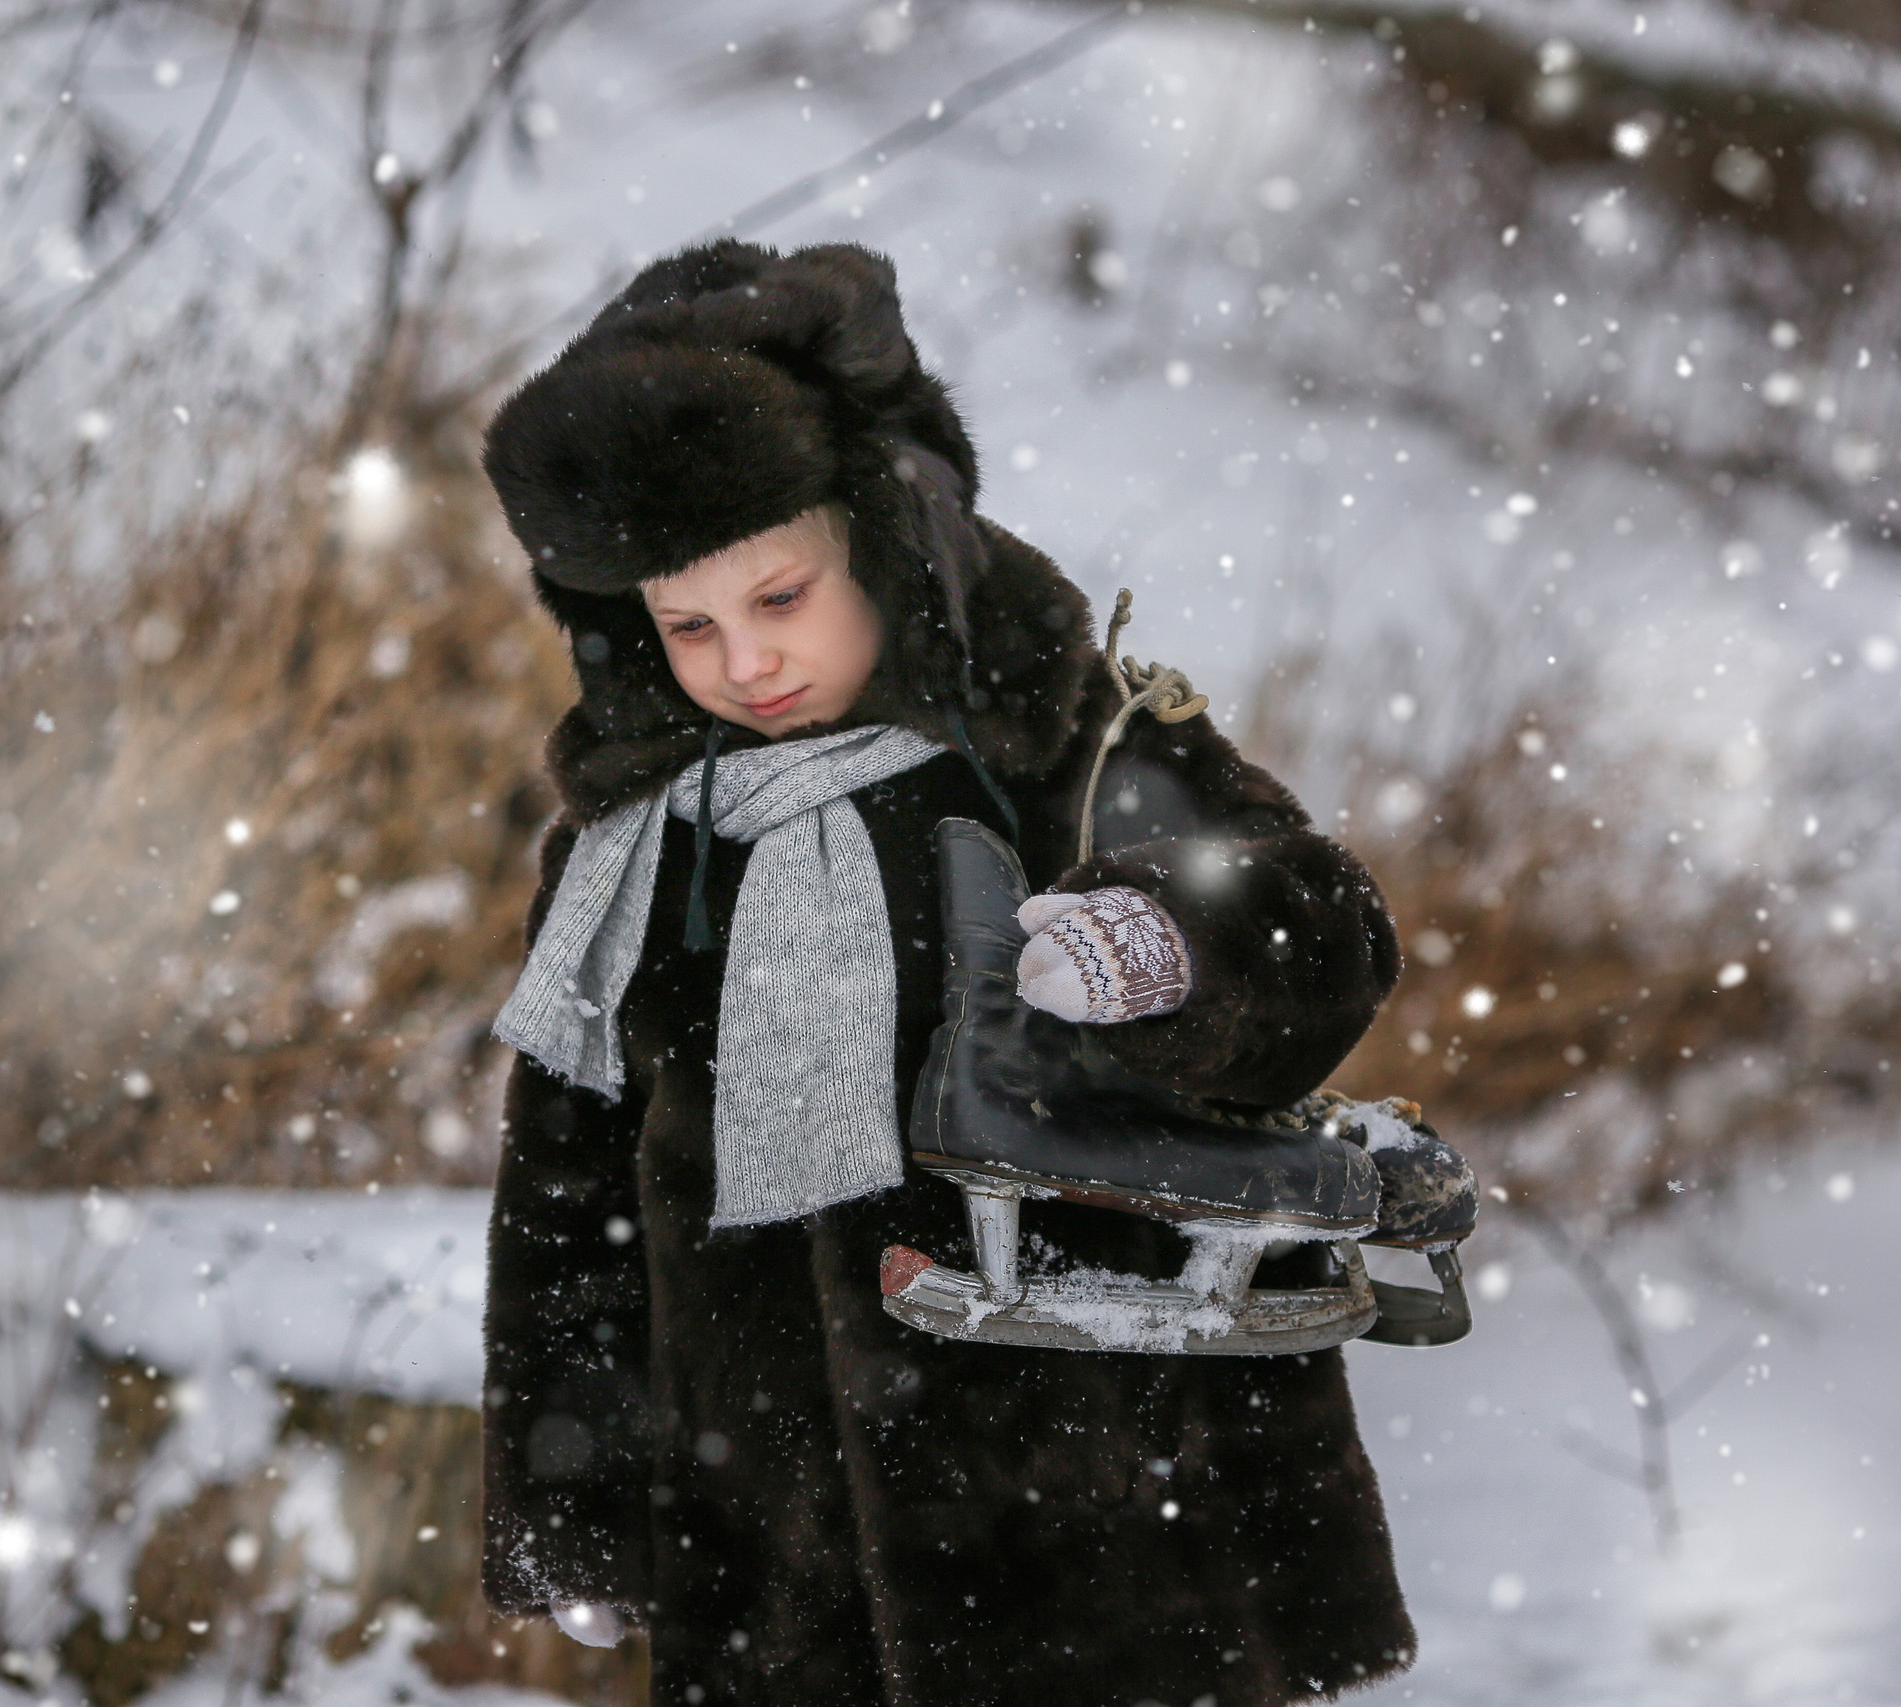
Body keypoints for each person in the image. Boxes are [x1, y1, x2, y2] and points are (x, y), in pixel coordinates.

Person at [477, 240, 1414, 1707]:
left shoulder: (1052, 737)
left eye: (781, 596)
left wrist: (1168, 939)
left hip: (1106, 1492)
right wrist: (575, 1503)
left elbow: (1324, 926)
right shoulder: (632, 858)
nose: (744, 663)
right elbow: (569, 1200)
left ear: (881, 535)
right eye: (689, 624)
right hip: (773, 1541)